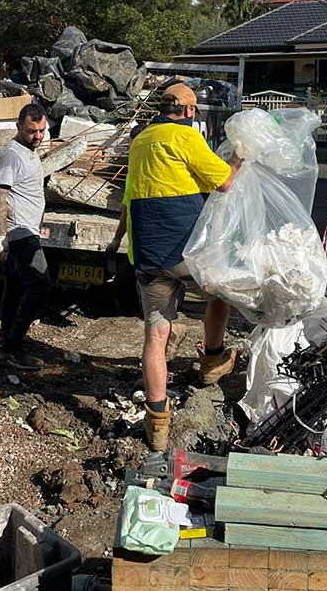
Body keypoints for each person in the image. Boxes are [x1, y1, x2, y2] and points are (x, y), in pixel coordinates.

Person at [107, 83, 243, 451]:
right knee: (219, 294)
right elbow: (226, 181)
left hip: (148, 256)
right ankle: (212, 361)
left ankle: (157, 425)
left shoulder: (139, 142)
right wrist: (241, 158)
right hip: (186, 256)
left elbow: (129, 197)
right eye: (194, 111)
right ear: (186, 111)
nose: (195, 116)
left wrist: (117, 241)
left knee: (155, 335)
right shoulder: (186, 139)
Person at [0, 103, 50, 372]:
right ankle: (12, 346)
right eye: (31, 131)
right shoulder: (10, 155)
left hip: (29, 230)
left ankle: (7, 349)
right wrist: (1, 238)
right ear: (18, 127)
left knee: (13, 291)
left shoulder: (30, 152)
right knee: (39, 286)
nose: (37, 136)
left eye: (41, 130)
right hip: (19, 233)